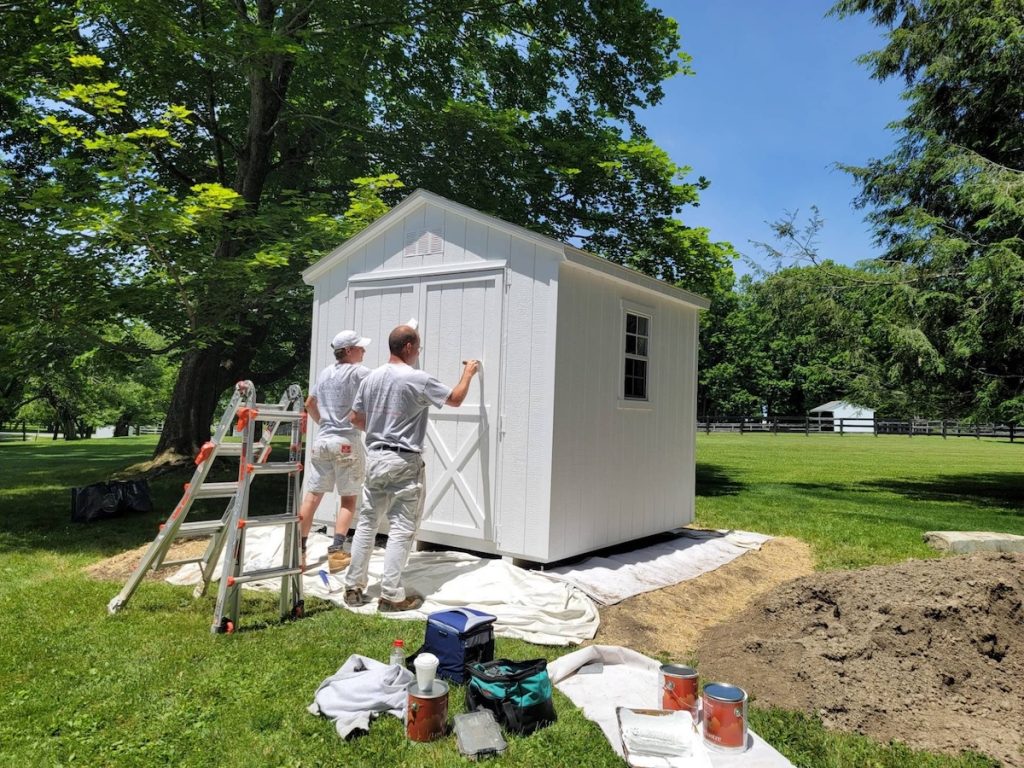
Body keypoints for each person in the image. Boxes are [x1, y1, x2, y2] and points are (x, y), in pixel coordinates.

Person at [343, 325, 479, 612]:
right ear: (407, 346)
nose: (418, 352)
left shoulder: (371, 378)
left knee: (367, 523)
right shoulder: (417, 379)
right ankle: (391, 596)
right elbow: (454, 399)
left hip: (376, 457)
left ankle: (353, 587)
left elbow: (355, 417)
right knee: (402, 529)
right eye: (417, 347)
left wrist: (380, 429)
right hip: (403, 461)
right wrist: (468, 373)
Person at [298, 329, 372, 573]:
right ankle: (337, 555)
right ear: (349, 351)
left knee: (312, 496)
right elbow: (382, 382)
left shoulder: (326, 373)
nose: (364, 351)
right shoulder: (359, 372)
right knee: (348, 500)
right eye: (360, 347)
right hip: (346, 443)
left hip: (323, 442)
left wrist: (325, 423)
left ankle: (299, 551)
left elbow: (309, 403)